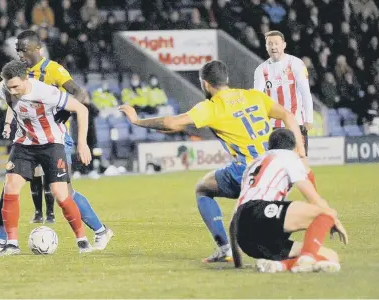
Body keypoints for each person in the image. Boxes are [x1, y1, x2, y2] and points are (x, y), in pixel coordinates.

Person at [118, 60, 306, 262]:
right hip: (278, 169)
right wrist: (300, 153)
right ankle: (286, 242)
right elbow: (288, 115)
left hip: (248, 171)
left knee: (203, 189)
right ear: (226, 79)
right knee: (265, 211)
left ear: (205, 84)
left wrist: (137, 121)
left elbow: (172, 123)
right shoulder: (253, 95)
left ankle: (226, 247)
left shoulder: (212, 107)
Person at [0, 30, 113, 254]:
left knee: (65, 193)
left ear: (37, 48)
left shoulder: (54, 70)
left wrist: (68, 114)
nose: (19, 52)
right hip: (28, 138)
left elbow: (79, 94)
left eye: (23, 48)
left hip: (56, 137)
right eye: (17, 48)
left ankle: (99, 231)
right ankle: (4, 241)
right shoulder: (20, 72)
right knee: (9, 188)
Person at [0, 60, 94, 256]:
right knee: (10, 187)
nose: (12, 91)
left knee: (60, 194)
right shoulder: (6, 88)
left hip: (52, 144)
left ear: (25, 79)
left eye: (16, 86)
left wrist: (82, 144)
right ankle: (12, 245)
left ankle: (82, 240)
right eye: (9, 87)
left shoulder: (45, 92)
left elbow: (82, 109)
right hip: (24, 144)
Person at [230, 128, 348, 273]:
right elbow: (315, 199)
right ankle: (307, 257)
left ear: (270, 145)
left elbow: (237, 213)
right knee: (325, 212)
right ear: (294, 146)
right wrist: (332, 218)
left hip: (247, 237)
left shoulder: (254, 164)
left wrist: (237, 261)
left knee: (331, 257)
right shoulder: (289, 157)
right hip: (259, 212)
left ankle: (280, 265)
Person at [253, 30, 317, 188]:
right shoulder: (261, 69)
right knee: (272, 167)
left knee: (302, 164)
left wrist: (308, 118)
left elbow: (305, 92)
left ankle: (316, 202)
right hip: (273, 126)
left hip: (295, 123)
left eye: (276, 43)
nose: (273, 46)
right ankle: (272, 202)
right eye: (270, 44)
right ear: (266, 47)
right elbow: (257, 97)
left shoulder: (295, 64)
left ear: (284, 45)